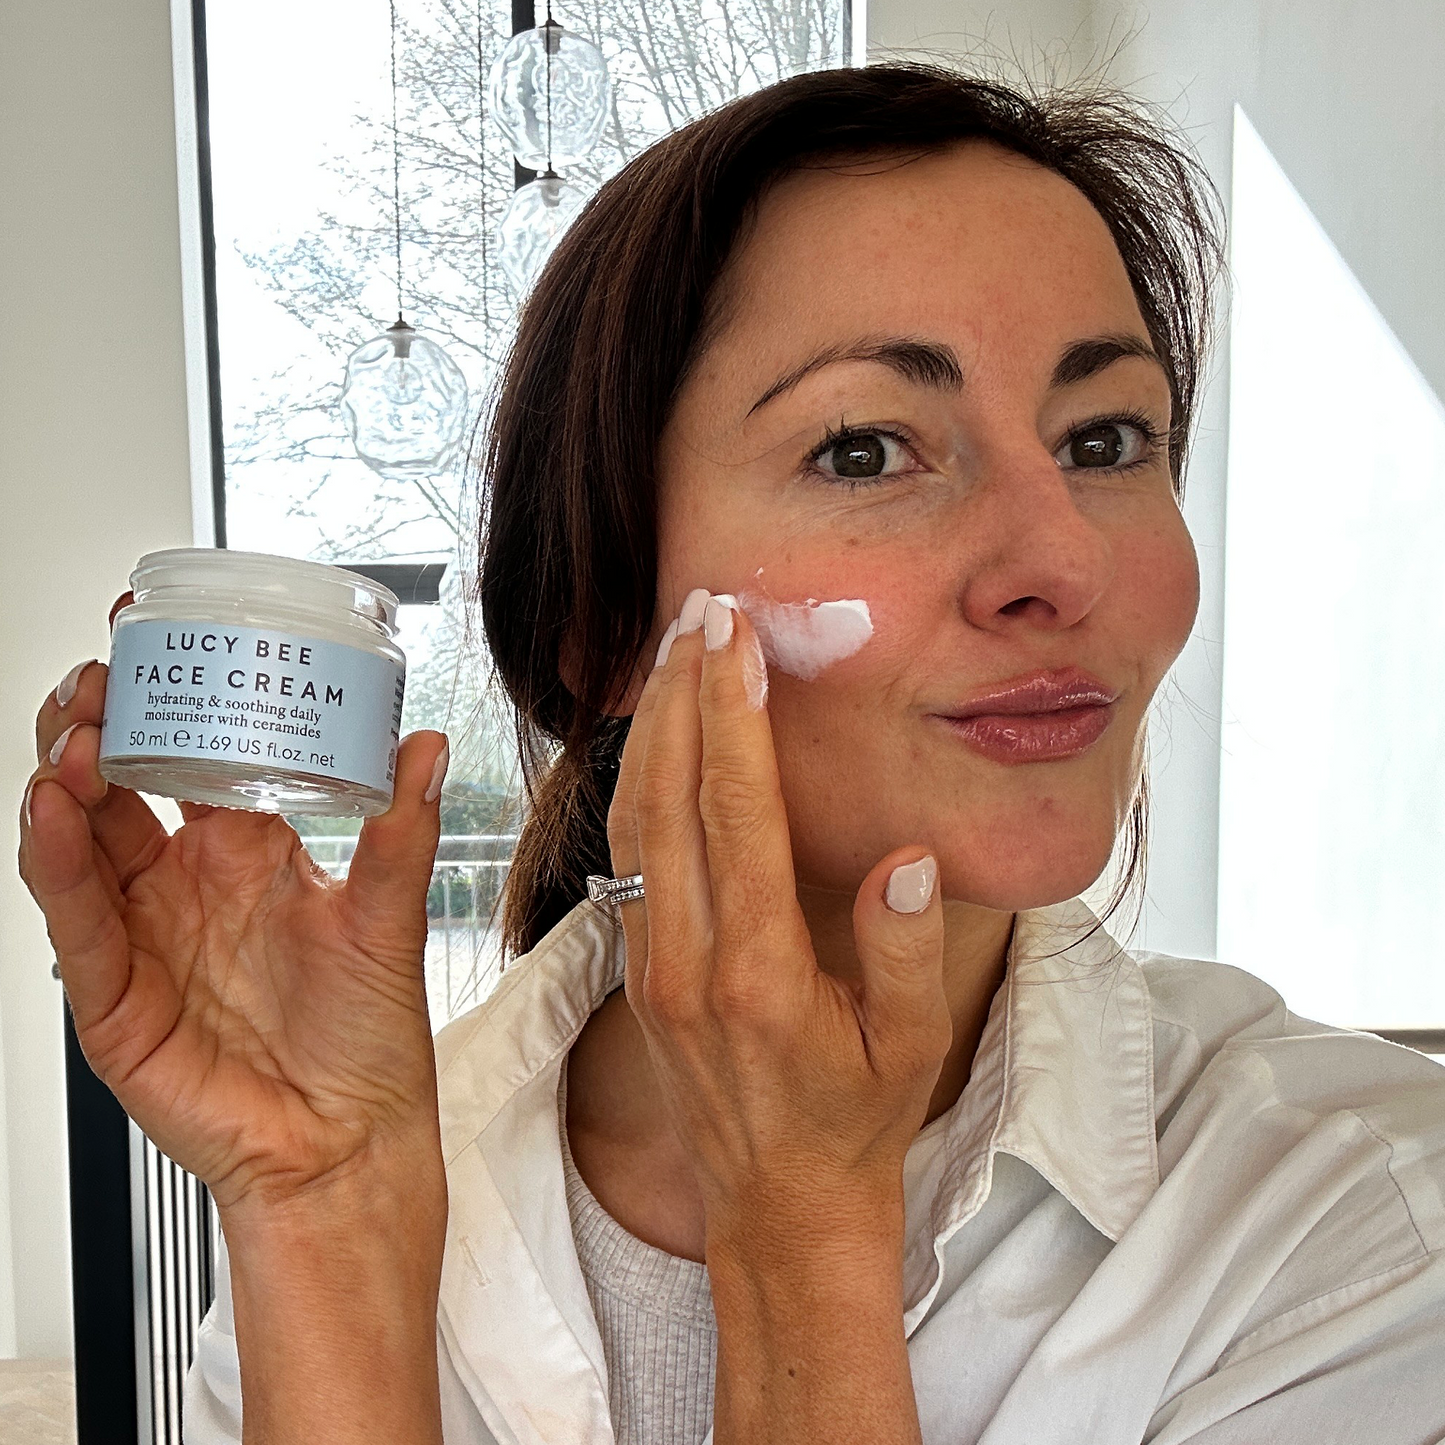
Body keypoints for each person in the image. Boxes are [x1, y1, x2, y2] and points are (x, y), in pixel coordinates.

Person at [19, 61, 1445, 1445]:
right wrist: (322, 1209)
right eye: (869, 451)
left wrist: (803, 1221)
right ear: (602, 624)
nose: (1061, 561)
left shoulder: (1366, 1214)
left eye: (1106, 437)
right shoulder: (379, 1158)